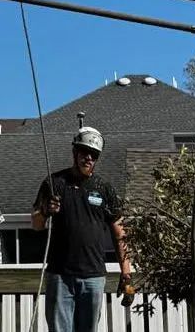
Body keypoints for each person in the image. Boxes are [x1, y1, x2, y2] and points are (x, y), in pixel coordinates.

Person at [32, 126, 134, 332]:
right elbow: (36, 224)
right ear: (74, 152)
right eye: (84, 152)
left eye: (94, 155)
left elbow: (119, 231)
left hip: (94, 277)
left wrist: (126, 273)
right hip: (60, 276)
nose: (89, 158)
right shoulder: (54, 184)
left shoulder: (104, 189)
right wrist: (45, 211)